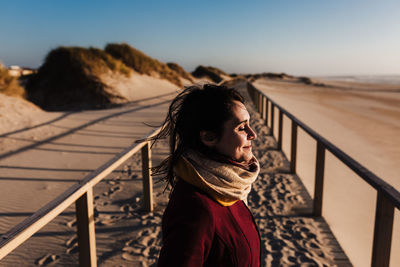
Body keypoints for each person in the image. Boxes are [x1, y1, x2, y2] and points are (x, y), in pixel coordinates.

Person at [151, 84, 261, 266]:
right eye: (242, 128)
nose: (253, 134)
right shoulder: (196, 209)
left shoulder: (229, 187)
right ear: (209, 137)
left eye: (250, 124)